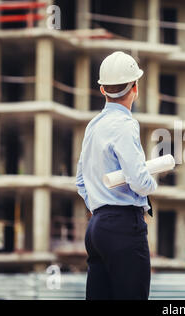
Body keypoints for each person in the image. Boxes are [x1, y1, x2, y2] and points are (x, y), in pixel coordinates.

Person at [76, 51, 157, 300]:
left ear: (102, 90)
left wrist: (100, 208)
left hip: (97, 227)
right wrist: (151, 181)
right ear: (135, 87)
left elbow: (80, 181)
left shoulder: (94, 125)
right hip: (123, 227)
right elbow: (139, 181)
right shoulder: (126, 124)